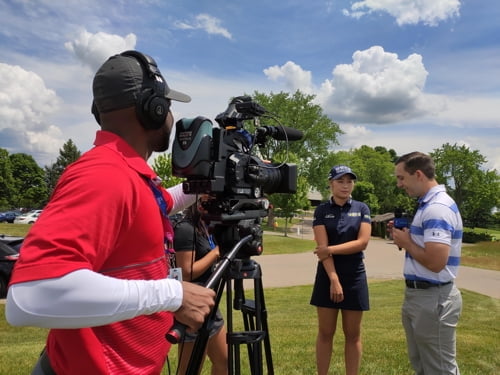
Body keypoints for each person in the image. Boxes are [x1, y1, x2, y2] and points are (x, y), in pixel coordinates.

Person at [5, 50, 215, 375]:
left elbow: (160, 205)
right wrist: (171, 294)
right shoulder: (104, 173)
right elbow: (32, 296)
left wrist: (205, 184)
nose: (171, 118)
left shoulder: (129, 174)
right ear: (152, 109)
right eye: (168, 106)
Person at [393, 152, 462, 375]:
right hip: (422, 297)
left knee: (440, 369)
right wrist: (408, 240)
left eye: (401, 177)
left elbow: (436, 262)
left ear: (419, 174)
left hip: (433, 299)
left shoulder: (437, 209)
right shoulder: (427, 205)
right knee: (423, 366)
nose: (399, 184)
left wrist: (407, 242)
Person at [310, 165, 372, 375]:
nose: (346, 186)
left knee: (353, 334)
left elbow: (362, 243)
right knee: (326, 332)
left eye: (349, 181)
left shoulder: (362, 208)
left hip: (355, 275)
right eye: (340, 181)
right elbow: (322, 251)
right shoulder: (321, 210)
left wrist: (329, 249)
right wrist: (334, 280)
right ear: (331, 184)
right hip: (328, 275)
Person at [173, 197, 228, 375]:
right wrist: (216, 252)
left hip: (209, 302)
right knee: (190, 370)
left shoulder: (206, 227)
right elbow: (186, 272)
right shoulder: (186, 228)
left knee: (224, 361)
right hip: (191, 306)